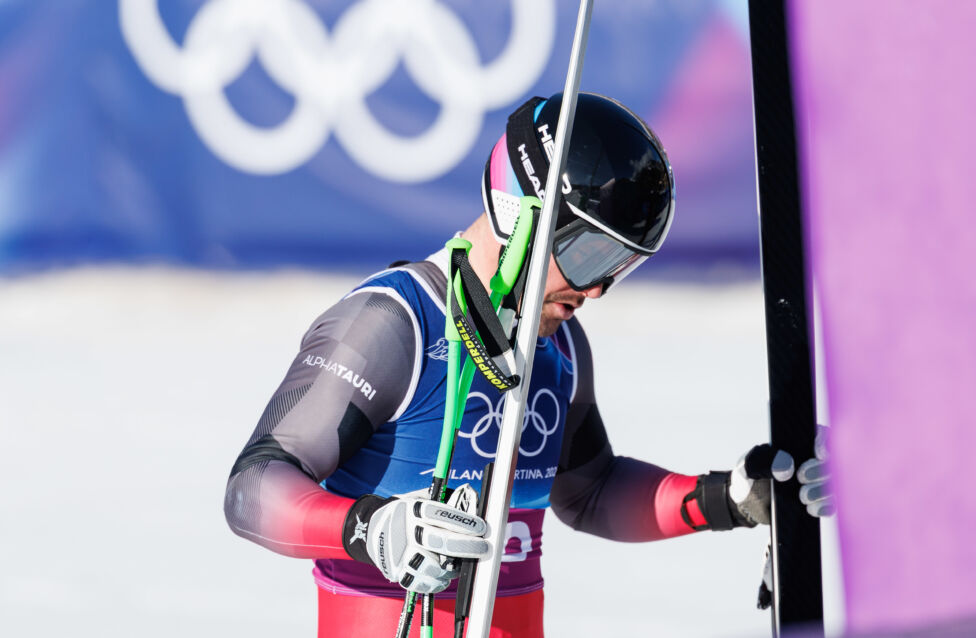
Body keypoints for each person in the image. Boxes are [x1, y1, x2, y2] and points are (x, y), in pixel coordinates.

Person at [223, 92, 830, 637]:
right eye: (593, 255)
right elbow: (253, 488)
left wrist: (729, 497)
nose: (597, 292)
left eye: (621, 268)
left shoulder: (560, 349)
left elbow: (589, 491)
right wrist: (369, 528)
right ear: (522, 217)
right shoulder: (392, 324)